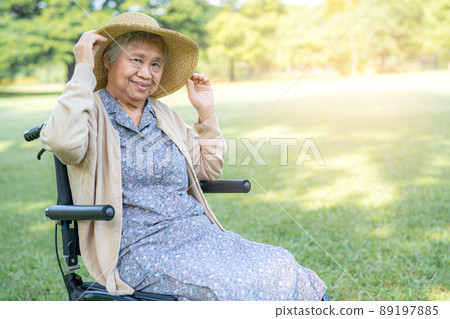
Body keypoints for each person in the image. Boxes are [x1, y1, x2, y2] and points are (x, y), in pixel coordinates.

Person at [40, 12, 327, 300]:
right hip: (138, 248)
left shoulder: (164, 115)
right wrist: (81, 71)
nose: (146, 73)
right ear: (108, 60)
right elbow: (61, 142)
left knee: (282, 263)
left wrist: (206, 112)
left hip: (198, 235)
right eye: (136, 60)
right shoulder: (88, 111)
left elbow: (207, 169)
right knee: (232, 287)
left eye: (156, 64)